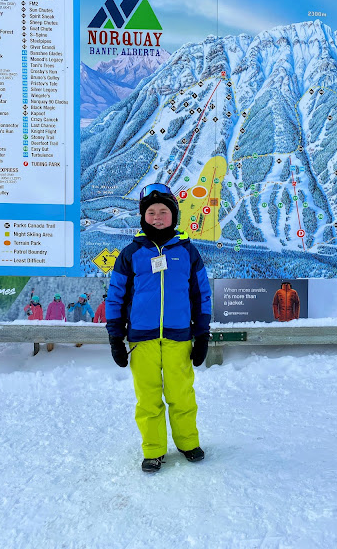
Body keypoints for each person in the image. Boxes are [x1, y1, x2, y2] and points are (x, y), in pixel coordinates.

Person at [106, 182, 212, 473]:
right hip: (142, 340)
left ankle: (188, 443)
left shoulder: (188, 252)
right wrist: (115, 337)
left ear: (173, 215)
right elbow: (115, 296)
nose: (157, 217)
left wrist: (202, 334)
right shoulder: (131, 253)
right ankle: (153, 450)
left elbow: (201, 295)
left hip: (179, 337)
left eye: (163, 212)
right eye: (151, 212)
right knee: (148, 397)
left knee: (181, 395)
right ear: (143, 216)